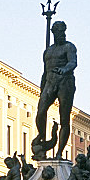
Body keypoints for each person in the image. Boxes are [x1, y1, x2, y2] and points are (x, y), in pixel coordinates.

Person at [32, 21, 77, 159]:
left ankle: (59, 152)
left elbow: (73, 62)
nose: (62, 35)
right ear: (53, 33)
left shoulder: (69, 47)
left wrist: (64, 69)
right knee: (40, 112)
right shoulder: (48, 51)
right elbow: (45, 71)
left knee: (64, 118)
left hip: (65, 82)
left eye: (63, 32)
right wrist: (42, 87)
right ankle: (42, 135)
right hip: (50, 82)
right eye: (59, 32)